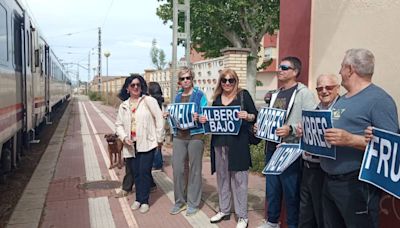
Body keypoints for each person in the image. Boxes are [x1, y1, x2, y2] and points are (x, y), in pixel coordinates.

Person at [320, 48, 399, 228]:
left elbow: (391, 149)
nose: (339, 71)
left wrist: (351, 140)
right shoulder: (342, 99)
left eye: (341, 67)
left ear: (350, 69)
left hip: (357, 184)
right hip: (330, 181)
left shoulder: (379, 100)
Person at [258, 57, 317, 228]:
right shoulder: (276, 93)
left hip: (290, 150)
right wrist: (260, 127)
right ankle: (272, 222)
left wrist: (290, 128)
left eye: (284, 67)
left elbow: (311, 121)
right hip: (271, 147)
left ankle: (292, 225)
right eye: (279, 67)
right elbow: (270, 118)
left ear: (295, 72)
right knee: (272, 188)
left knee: (291, 191)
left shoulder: (304, 93)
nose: (279, 70)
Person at [200, 69, 258, 228]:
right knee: (222, 178)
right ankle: (224, 209)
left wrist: (247, 116)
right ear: (220, 82)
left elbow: (255, 115)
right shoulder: (217, 98)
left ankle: (242, 216)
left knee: (240, 180)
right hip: (219, 144)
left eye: (230, 80)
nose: (227, 83)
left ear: (235, 81)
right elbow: (211, 119)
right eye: (224, 80)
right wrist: (204, 119)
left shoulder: (243, 95)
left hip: (238, 144)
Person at [296, 74, 340, 228]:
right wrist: (302, 130)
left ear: (337, 88)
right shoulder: (316, 108)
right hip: (307, 167)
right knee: (305, 214)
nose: (324, 91)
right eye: (320, 88)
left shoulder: (342, 109)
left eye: (329, 87)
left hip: (324, 170)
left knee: (322, 215)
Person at [115, 74, 164, 213]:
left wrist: (159, 139)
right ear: (127, 88)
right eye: (132, 85)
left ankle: (144, 201)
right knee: (135, 172)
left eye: (138, 85)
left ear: (142, 87)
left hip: (147, 143)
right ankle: (138, 199)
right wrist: (124, 137)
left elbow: (159, 119)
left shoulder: (149, 101)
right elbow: (118, 124)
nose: (136, 87)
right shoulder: (123, 106)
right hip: (131, 144)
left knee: (144, 172)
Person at [167, 67, 207, 216]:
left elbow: (206, 115)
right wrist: (168, 114)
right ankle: (179, 201)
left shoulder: (200, 95)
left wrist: (200, 117)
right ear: (179, 81)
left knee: (195, 170)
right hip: (179, 136)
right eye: (182, 78)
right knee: (177, 169)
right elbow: (175, 115)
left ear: (192, 79)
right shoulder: (177, 96)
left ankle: (193, 203)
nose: (185, 81)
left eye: (188, 78)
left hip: (196, 136)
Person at [148, 82, 165, 171]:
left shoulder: (150, 100)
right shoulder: (160, 100)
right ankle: (159, 163)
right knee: (158, 146)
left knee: (154, 147)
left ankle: (156, 165)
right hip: (160, 126)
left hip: (152, 126)